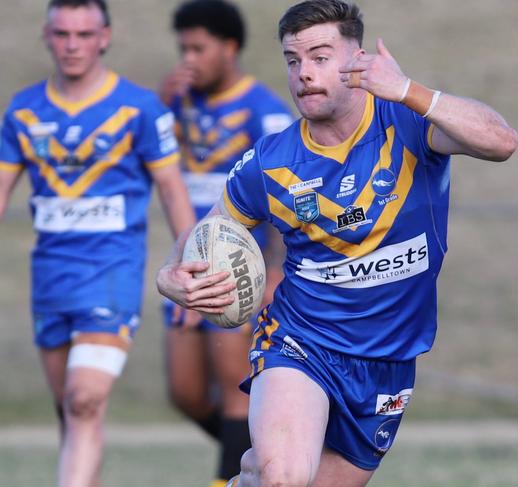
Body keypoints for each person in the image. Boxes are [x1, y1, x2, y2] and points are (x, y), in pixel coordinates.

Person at [157, 0, 518, 485]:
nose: (304, 73)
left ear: (358, 60)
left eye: (320, 57)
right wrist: (169, 275)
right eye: (293, 60)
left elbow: (501, 141)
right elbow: (207, 230)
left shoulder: (407, 123)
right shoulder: (270, 163)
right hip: (300, 341)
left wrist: (410, 91)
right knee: (285, 476)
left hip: (387, 361)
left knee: (272, 479)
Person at [0, 1, 195, 485]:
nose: (73, 45)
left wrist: (194, 258)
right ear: (47, 36)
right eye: (63, 34)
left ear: (105, 37)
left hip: (112, 273)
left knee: (84, 398)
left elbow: (173, 189)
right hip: (51, 277)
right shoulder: (24, 110)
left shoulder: (139, 108)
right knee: (71, 412)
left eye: (84, 34)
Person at [157, 2, 293, 485]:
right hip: (186, 271)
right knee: (185, 392)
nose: (188, 58)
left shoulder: (265, 112)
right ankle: (272, 456)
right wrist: (159, 103)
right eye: (182, 48)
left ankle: (243, 471)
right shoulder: (178, 104)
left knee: (238, 395)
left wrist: (275, 271)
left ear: (230, 48)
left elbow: (284, 194)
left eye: (198, 47)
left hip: (237, 272)